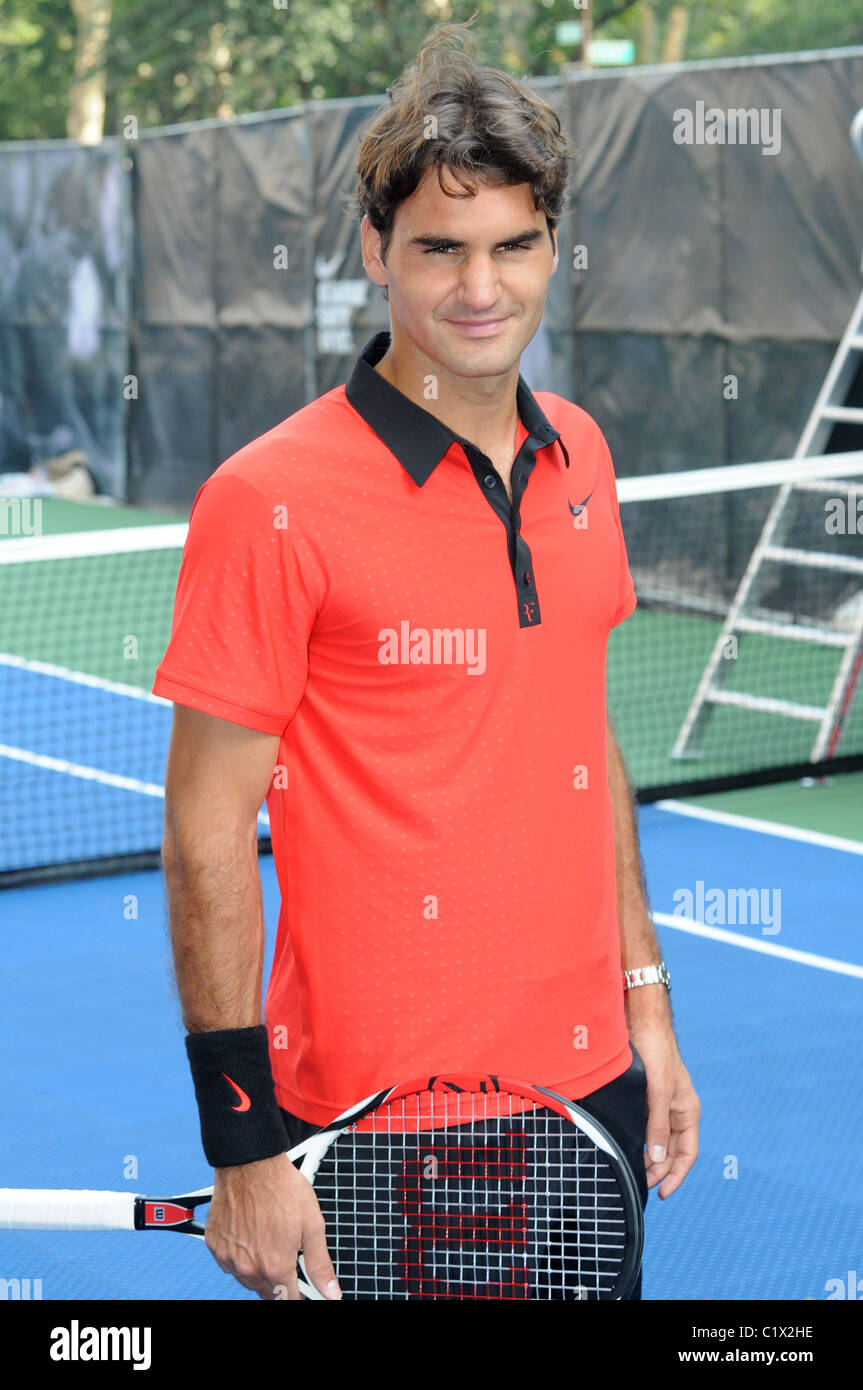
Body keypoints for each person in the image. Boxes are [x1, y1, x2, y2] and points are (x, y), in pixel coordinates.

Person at [153, 19, 699, 1302]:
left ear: (553, 249)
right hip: (380, 1130)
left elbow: (584, 739)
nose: (480, 288)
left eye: (515, 246)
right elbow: (202, 829)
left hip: (588, 1097)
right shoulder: (267, 499)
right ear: (372, 252)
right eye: (438, 249)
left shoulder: (583, 454)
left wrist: (647, 1008)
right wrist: (241, 1142)